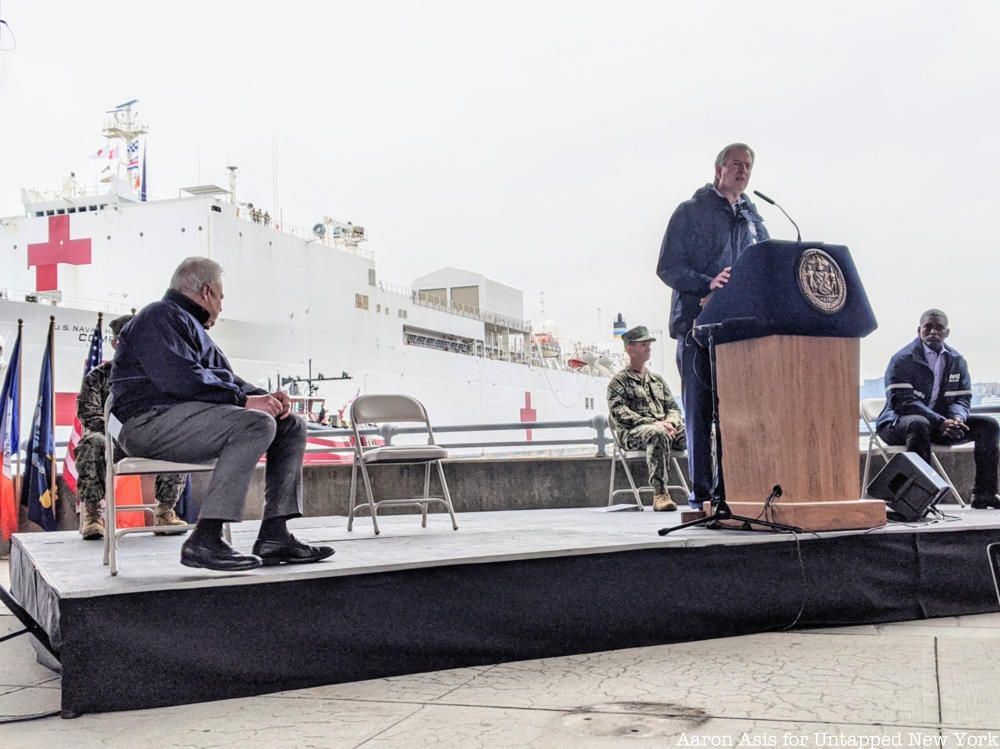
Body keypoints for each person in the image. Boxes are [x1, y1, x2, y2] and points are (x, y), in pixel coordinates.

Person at [111, 257, 335, 570]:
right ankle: (206, 538)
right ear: (206, 292)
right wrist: (246, 403)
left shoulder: (193, 328)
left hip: (187, 420)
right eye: (221, 297)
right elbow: (178, 377)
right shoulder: (158, 315)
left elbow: (227, 380)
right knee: (254, 424)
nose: (221, 306)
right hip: (147, 422)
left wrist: (265, 398)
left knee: (290, 425)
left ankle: (275, 534)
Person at [655, 143, 768, 508]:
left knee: (738, 413)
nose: (743, 171)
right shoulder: (690, 213)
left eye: (748, 166)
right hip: (696, 329)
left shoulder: (753, 218)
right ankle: (702, 494)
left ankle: (737, 490)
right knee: (701, 413)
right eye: (736, 164)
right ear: (718, 169)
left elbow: (767, 261)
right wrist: (707, 284)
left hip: (738, 331)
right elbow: (668, 267)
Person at [76, 314, 188, 540]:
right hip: (113, 440)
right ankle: (93, 514)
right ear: (116, 343)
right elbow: (89, 414)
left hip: (151, 438)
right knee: (92, 443)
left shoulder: (160, 376)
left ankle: (165, 511)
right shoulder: (97, 377)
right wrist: (124, 431)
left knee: (179, 441)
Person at [876, 309, 1000, 509]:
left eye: (939, 328)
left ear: (946, 333)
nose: (933, 331)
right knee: (919, 423)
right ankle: (920, 500)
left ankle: (984, 494)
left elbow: (963, 398)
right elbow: (902, 402)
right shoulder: (902, 359)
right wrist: (940, 422)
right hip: (897, 424)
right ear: (919, 330)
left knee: (989, 425)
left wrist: (957, 419)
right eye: (928, 327)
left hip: (939, 425)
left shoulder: (956, 361)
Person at [607, 326, 687, 512]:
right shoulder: (618, 382)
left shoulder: (657, 381)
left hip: (665, 429)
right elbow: (619, 413)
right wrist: (653, 423)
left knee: (703, 434)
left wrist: (671, 422)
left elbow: (673, 409)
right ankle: (660, 494)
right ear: (630, 349)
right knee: (657, 433)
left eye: (648, 344)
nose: (648, 348)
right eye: (643, 344)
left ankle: (707, 489)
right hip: (633, 433)